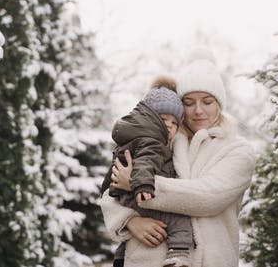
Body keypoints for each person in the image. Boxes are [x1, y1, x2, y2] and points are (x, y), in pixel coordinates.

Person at [100, 48, 255, 267]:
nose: (198, 110)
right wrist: (130, 221)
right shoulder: (162, 141)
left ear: (220, 103)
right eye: (189, 103)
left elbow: (208, 197)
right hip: (145, 259)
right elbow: (110, 191)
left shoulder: (238, 150)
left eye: (207, 102)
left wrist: (138, 183)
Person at [100, 76, 194, 267]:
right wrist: (139, 185)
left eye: (174, 122)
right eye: (163, 119)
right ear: (150, 118)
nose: (169, 125)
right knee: (179, 222)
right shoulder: (151, 142)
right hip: (143, 198)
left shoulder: (135, 138)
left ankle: (120, 255)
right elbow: (144, 163)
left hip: (135, 216)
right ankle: (179, 251)